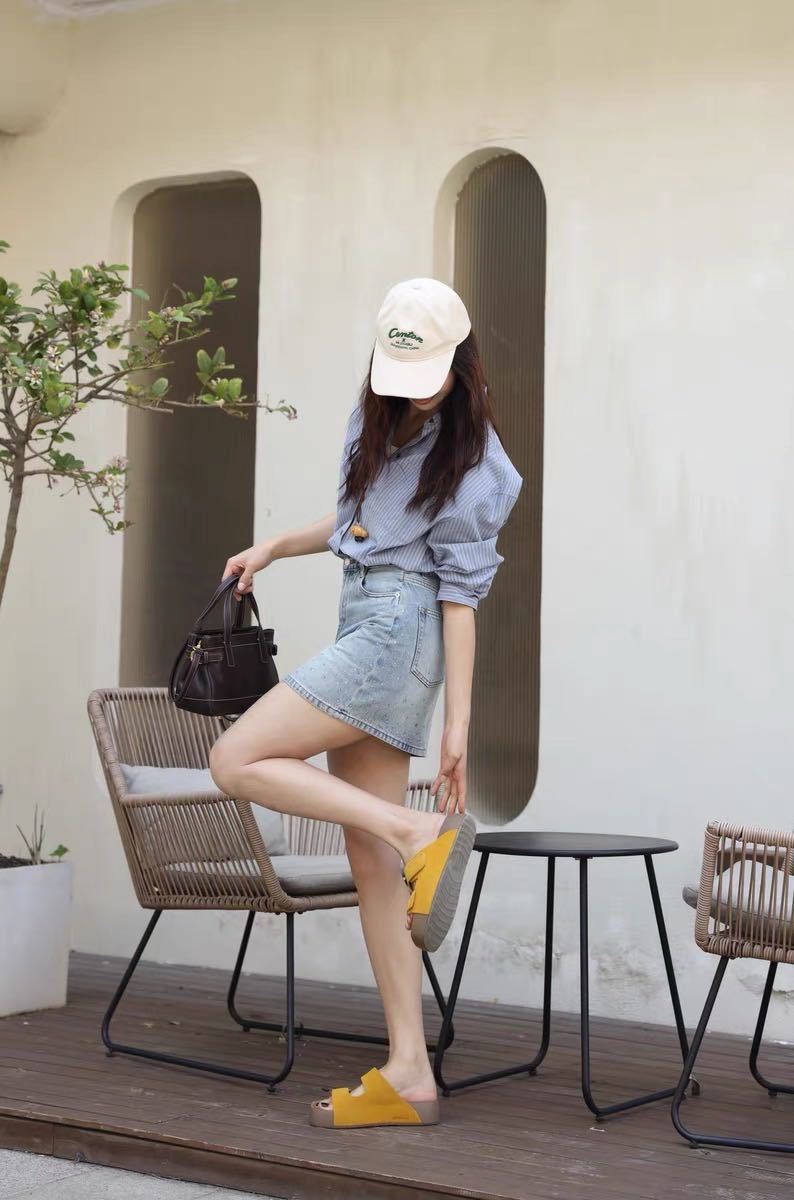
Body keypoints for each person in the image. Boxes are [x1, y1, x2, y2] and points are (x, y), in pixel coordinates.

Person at [209, 277, 523, 1129]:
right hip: (368, 619)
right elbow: (357, 524)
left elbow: (460, 598)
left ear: (462, 363)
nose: (412, 390)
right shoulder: (376, 415)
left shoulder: (480, 467)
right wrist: (275, 545)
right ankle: (411, 1070)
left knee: (236, 758)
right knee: (372, 866)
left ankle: (421, 832)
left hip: (399, 632)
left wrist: (458, 726)